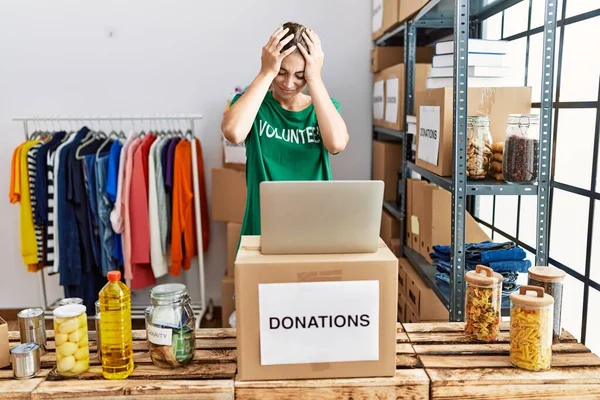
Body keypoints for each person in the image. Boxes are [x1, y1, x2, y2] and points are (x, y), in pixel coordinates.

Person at [221, 22, 349, 236]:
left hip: (314, 229)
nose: (289, 83)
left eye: (300, 75)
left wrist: (315, 77)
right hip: (261, 228)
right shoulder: (254, 106)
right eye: (281, 72)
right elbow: (233, 132)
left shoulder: (324, 108)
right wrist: (266, 72)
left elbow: (336, 143)